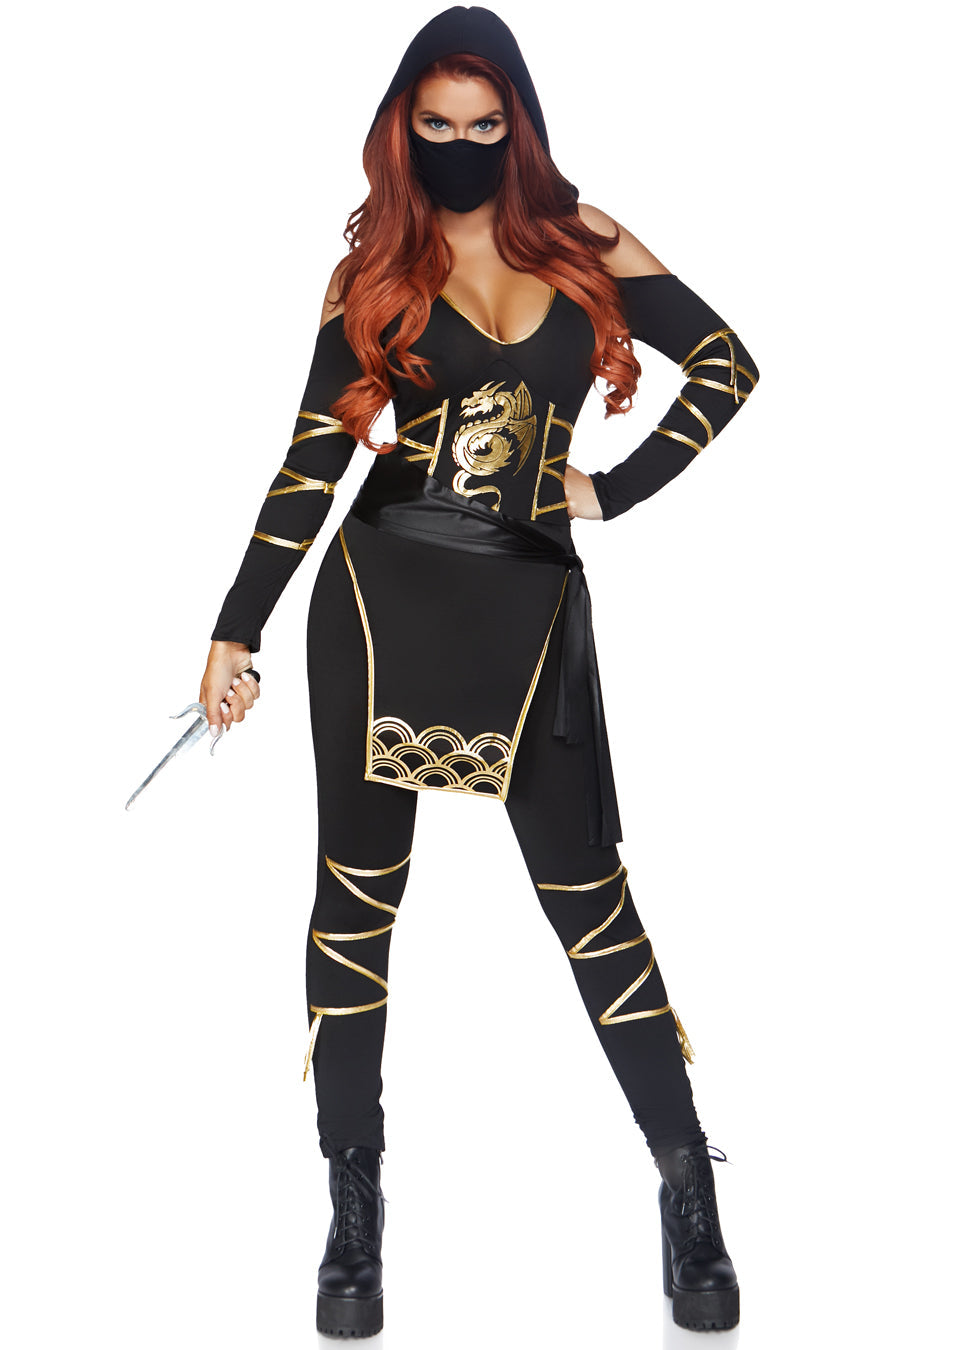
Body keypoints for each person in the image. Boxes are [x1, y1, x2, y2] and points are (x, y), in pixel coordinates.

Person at [200, 6, 758, 1338]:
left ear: (519, 125)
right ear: (405, 128)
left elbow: (728, 365)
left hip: (531, 604)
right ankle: (353, 1212)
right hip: (379, 599)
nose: (459, 145)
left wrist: (615, 487)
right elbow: (312, 464)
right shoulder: (375, 270)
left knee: (592, 903)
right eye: (436, 124)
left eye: (483, 123)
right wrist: (237, 626)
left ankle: (688, 1190)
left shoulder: (584, 240)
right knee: (356, 906)